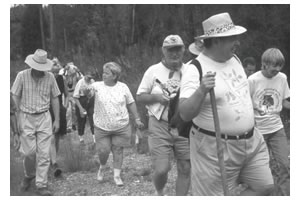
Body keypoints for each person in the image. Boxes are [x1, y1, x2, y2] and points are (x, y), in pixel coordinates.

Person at [179, 13, 274, 195]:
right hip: (214, 149)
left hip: (251, 141)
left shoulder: (235, 59)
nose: (237, 42)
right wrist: (201, 90)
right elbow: (184, 113)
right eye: (232, 38)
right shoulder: (195, 68)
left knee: (265, 187)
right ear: (216, 41)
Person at [136, 35, 191, 196]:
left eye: (178, 49)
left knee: (185, 168)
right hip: (159, 124)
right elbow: (140, 96)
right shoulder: (153, 71)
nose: (174, 54)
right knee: (162, 169)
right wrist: (157, 98)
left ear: (183, 50)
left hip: (184, 126)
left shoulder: (189, 70)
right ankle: (159, 192)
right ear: (163, 51)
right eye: (170, 50)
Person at [11, 49, 61, 196]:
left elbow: (55, 98)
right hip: (26, 116)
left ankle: (41, 185)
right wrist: (16, 119)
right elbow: (15, 97)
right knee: (29, 153)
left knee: (44, 154)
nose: (39, 70)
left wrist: (57, 119)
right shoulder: (22, 76)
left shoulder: (51, 77)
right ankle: (29, 175)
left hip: (44, 117)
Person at [90, 62, 144, 186]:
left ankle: (117, 176)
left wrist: (137, 118)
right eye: (103, 72)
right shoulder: (96, 86)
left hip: (121, 126)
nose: (103, 75)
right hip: (101, 126)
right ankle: (102, 167)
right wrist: (87, 91)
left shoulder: (123, 87)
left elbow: (130, 102)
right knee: (103, 151)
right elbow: (89, 93)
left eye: (106, 73)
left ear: (114, 76)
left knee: (118, 150)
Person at [248, 48, 290, 188]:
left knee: (285, 165)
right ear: (264, 64)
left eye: (280, 65)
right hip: (258, 130)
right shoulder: (253, 80)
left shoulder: (282, 78)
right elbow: (245, 104)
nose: (277, 69)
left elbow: (284, 102)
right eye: (274, 65)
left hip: (277, 128)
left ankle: (282, 194)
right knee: (262, 169)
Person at [49, 58, 69, 177]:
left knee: (56, 137)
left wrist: (65, 106)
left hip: (59, 109)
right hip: (47, 109)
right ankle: (53, 162)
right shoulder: (46, 78)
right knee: (51, 137)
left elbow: (66, 95)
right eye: (53, 71)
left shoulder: (62, 79)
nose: (55, 74)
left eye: (57, 71)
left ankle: (53, 159)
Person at [73, 70, 95, 144]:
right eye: (88, 77)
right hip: (81, 101)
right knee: (82, 120)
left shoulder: (93, 82)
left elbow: (95, 92)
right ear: (85, 75)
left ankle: (95, 139)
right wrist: (80, 108)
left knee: (93, 119)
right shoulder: (80, 82)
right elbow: (75, 96)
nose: (89, 79)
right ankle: (81, 138)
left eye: (90, 77)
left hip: (90, 101)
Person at [65, 62, 81, 132]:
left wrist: (78, 71)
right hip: (67, 93)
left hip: (74, 93)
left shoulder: (76, 75)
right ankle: (69, 126)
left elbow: (82, 80)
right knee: (68, 111)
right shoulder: (65, 75)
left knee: (74, 110)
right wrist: (65, 70)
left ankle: (75, 124)